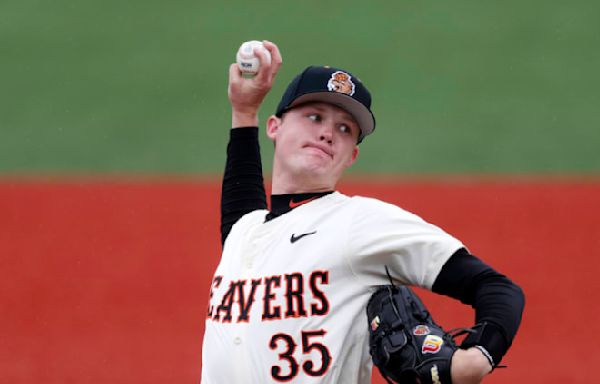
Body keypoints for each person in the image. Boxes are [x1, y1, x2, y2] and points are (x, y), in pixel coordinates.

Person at [201, 41, 525, 384]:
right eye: (314, 117)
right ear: (274, 128)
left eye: (345, 129)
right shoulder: (246, 232)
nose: (327, 133)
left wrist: (475, 359)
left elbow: (497, 288)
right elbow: (240, 211)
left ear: (351, 156)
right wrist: (243, 113)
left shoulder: (359, 223)